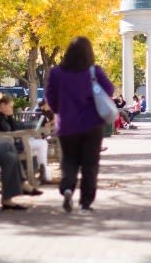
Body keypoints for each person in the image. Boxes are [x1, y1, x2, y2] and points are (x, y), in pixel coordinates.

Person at [45, 36, 113, 214]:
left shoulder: (56, 73)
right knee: (90, 164)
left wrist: (62, 110)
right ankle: (85, 202)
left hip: (67, 126)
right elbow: (109, 90)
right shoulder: (94, 72)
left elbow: (50, 98)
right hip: (92, 125)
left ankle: (67, 188)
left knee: (69, 160)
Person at [0, 93, 51, 183]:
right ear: (3, 105)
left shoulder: (4, 116)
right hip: (11, 145)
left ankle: (43, 172)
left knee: (40, 141)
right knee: (42, 143)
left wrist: (10, 117)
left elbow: (15, 128)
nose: (12, 109)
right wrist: (10, 137)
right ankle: (44, 174)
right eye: (10, 106)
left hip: (16, 142)